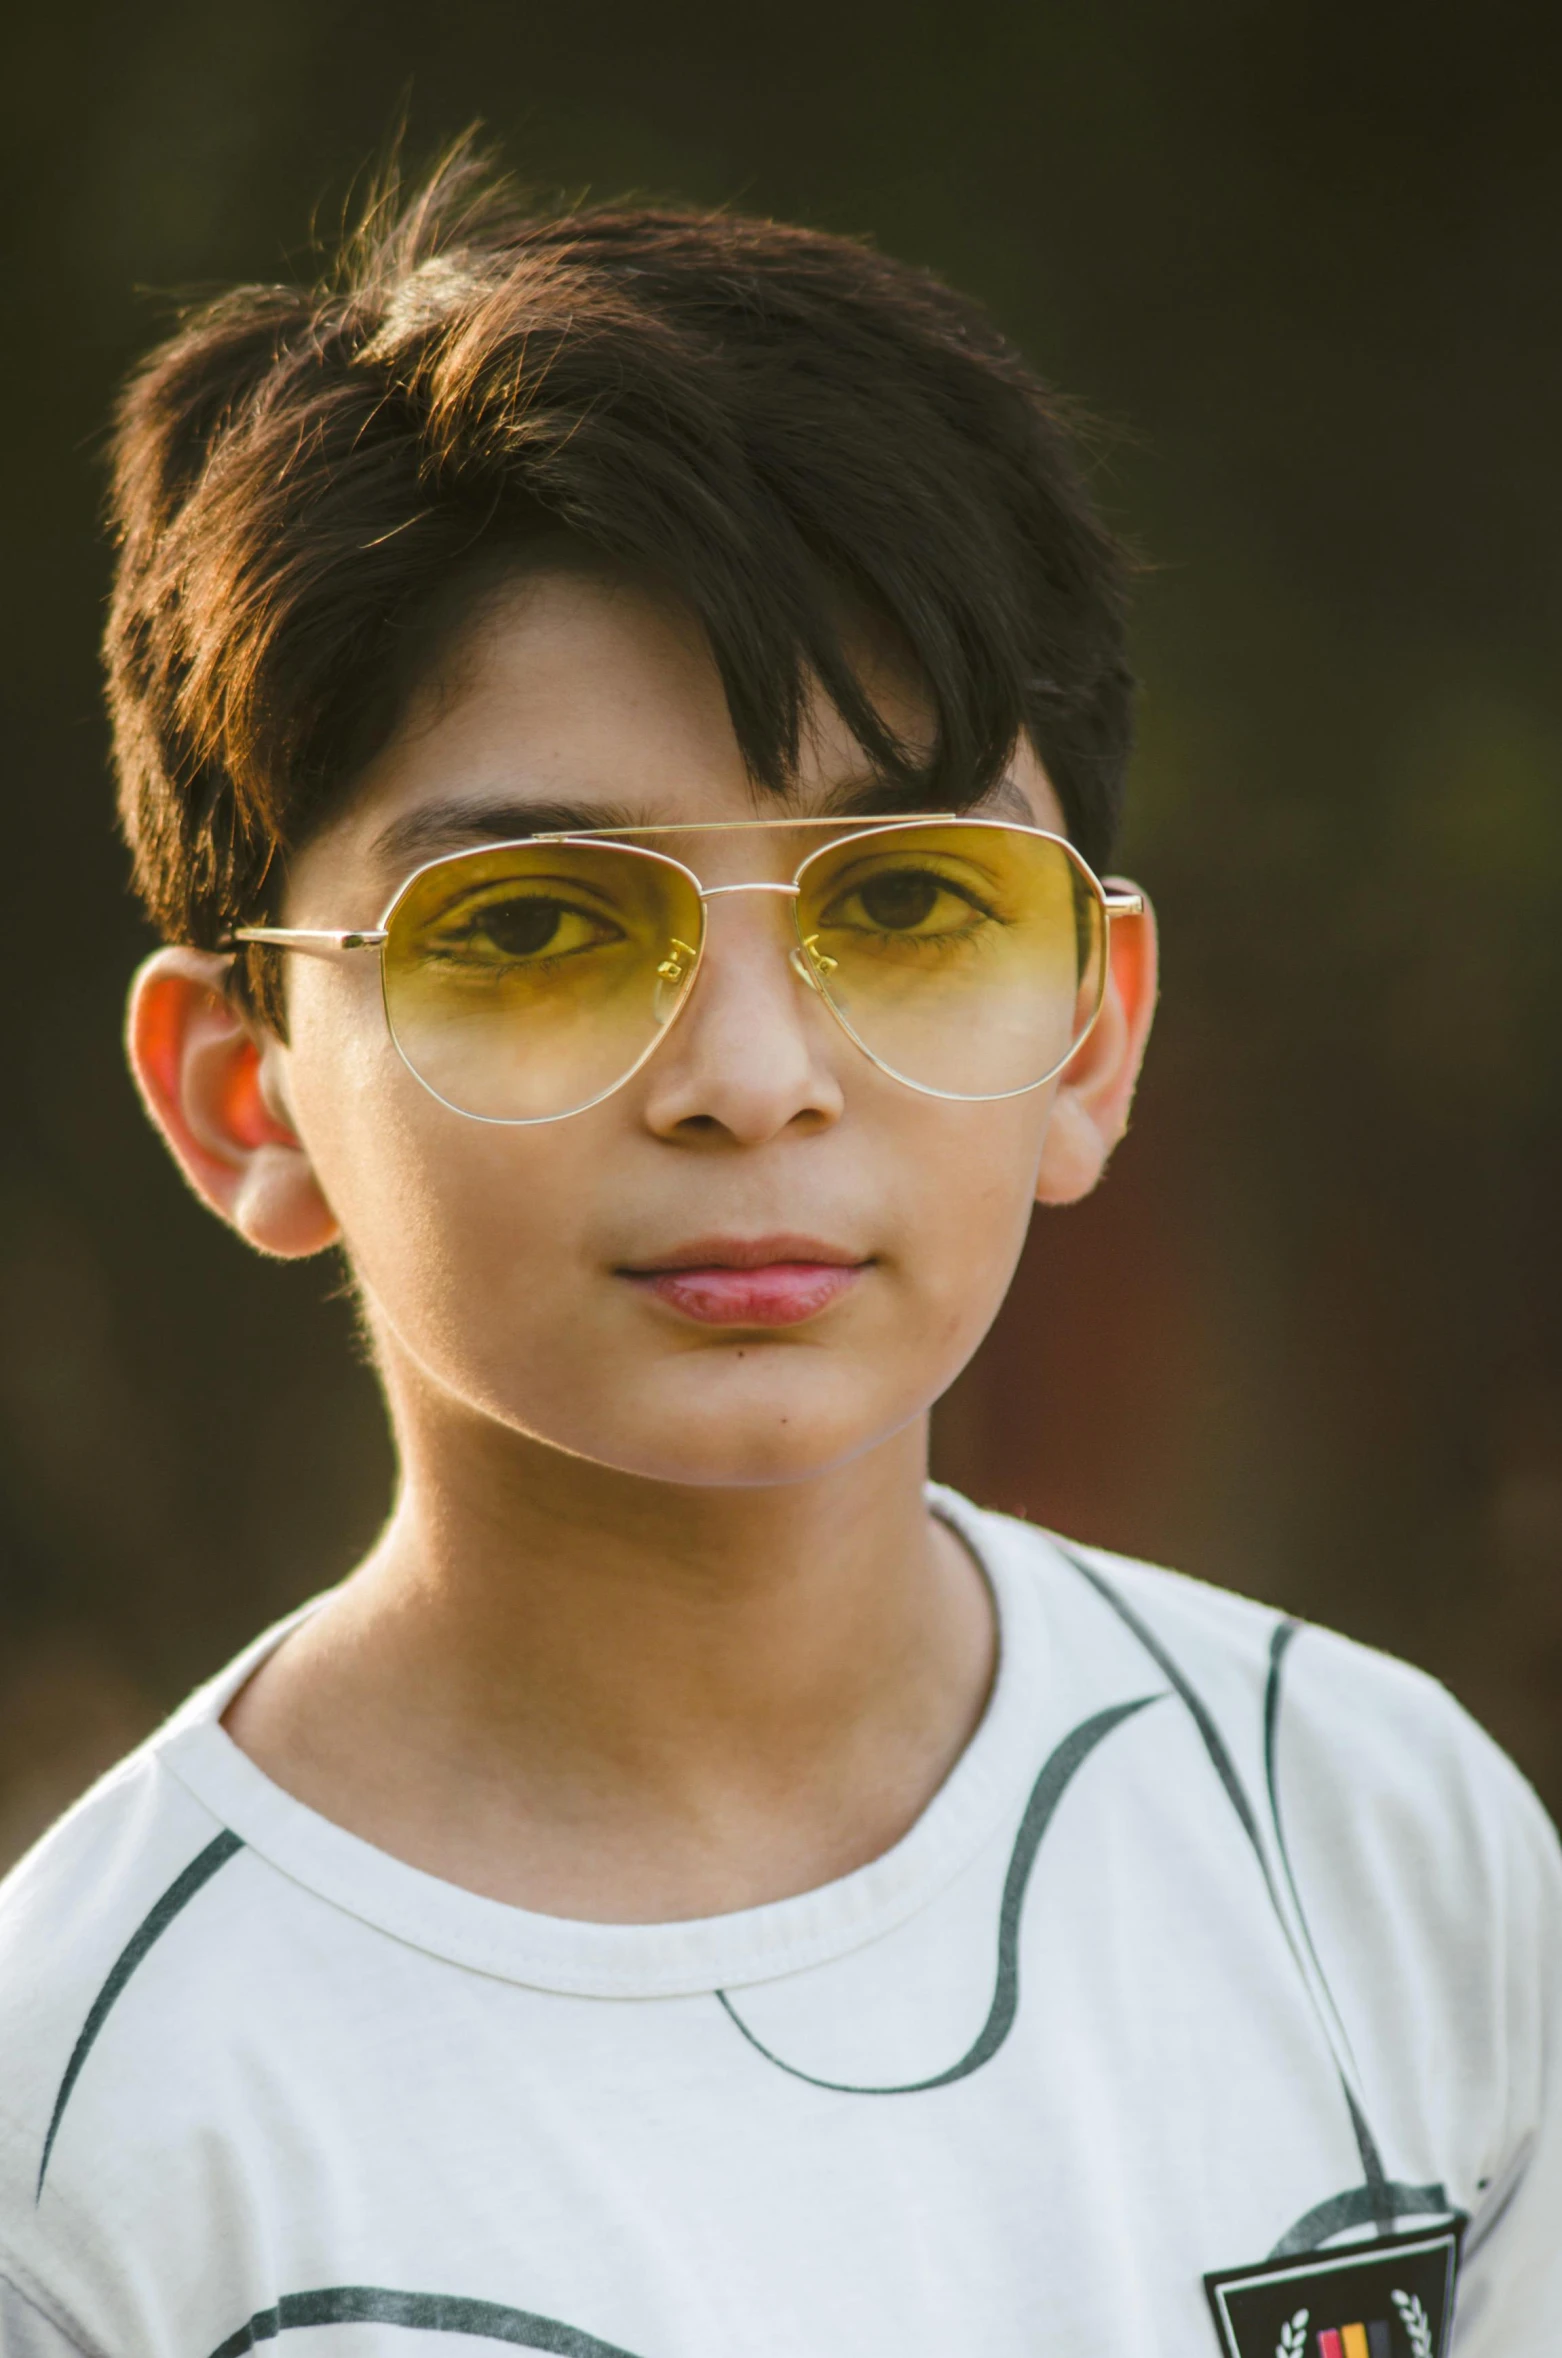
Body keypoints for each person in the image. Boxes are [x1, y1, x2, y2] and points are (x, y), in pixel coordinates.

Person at [0, 148, 1555, 2358]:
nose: (751, 1075)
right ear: (246, 1095)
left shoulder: (1369, 1843)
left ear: (1091, 1040)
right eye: (531, 925)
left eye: (908, 904)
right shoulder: (87, 2133)